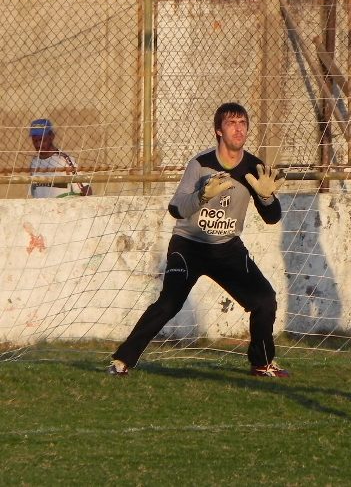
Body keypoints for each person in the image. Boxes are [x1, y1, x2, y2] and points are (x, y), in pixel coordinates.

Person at [108, 102, 289, 377]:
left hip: (227, 249)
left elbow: (273, 217)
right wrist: (202, 196)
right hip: (188, 246)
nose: (238, 129)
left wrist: (266, 197)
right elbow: (176, 208)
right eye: (231, 123)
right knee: (169, 303)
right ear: (219, 130)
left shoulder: (254, 166)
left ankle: (262, 363)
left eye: (243, 123)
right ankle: (122, 360)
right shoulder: (201, 164)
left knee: (265, 300)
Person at [28, 118, 92, 198]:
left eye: (42, 140)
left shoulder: (65, 161)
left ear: (51, 137)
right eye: (35, 140)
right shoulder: (34, 163)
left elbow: (86, 189)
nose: (38, 145)